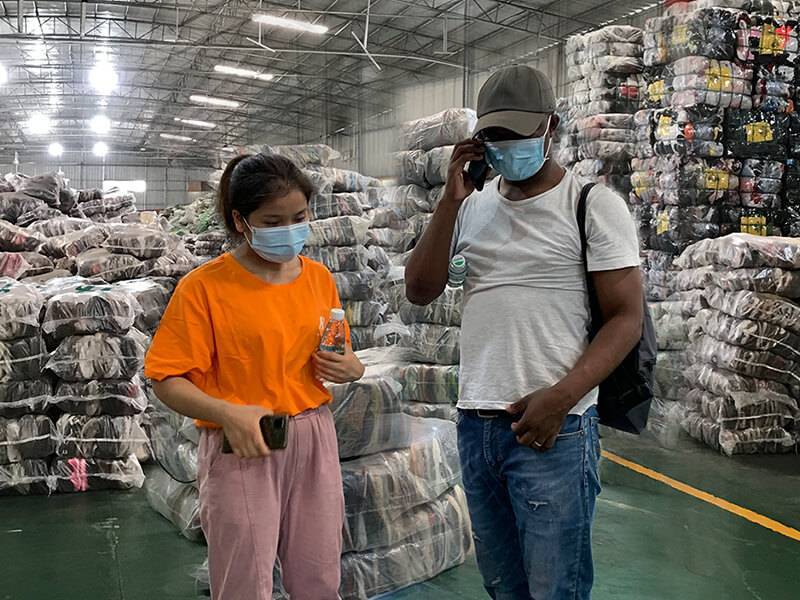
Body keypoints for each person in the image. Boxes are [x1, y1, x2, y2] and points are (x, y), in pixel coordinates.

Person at [405, 65, 643, 599]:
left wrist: (561, 399)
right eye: (493, 136)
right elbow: (420, 288)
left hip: (554, 431)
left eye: (517, 134)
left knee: (554, 587)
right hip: (476, 424)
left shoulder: (591, 206)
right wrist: (450, 202)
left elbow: (627, 318)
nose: (505, 146)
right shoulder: (471, 208)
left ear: (550, 129)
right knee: (503, 585)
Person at [144, 153, 365, 600]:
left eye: (299, 217)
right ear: (240, 221)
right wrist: (226, 413)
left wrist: (351, 367)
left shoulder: (318, 278)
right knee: (244, 580)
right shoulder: (205, 288)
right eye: (273, 219)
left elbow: (340, 349)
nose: (290, 229)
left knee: (319, 575)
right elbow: (166, 377)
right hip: (244, 444)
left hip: (313, 437)